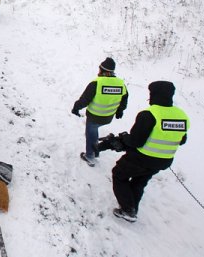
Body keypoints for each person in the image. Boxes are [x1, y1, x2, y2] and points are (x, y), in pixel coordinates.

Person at [111, 81, 189, 222]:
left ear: (154, 95)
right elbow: (182, 140)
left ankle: (128, 209)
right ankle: (132, 209)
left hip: (142, 158)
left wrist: (124, 138)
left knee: (119, 175)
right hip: (163, 161)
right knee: (139, 182)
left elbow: (136, 141)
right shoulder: (181, 116)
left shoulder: (148, 114)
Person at [72, 58, 128, 167]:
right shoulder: (121, 84)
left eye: (100, 69)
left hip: (94, 116)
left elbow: (85, 100)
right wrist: (120, 111)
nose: (98, 71)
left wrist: (76, 108)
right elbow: (124, 99)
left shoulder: (97, 83)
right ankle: (96, 150)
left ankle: (90, 156)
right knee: (95, 130)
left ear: (104, 71)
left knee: (91, 134)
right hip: (108, 117)